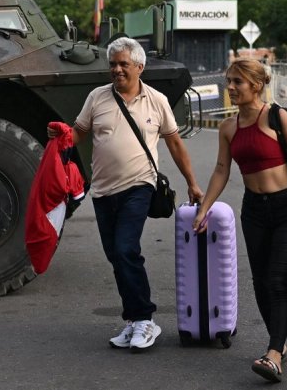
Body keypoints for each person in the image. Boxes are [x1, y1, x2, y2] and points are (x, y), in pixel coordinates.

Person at [48, 37, 203, 351]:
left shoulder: (156, 100)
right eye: (113, 65)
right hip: (103, 190)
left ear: (139, 67)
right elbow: (79, 133)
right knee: (116, 256)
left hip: (139, 186)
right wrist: (62, 135)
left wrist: (192, 183)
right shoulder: (97, 97)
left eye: (124, 64)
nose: (117, 70)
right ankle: (133, 320)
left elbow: (175, 143)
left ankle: (145, 319)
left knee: (125, 249)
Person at [192, 58, 287, 383]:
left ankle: (273, 355)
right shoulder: (228, 127)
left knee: (276, 280)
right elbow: (221, 169)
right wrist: (204, 208)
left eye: (238, 82)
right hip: (254, 212)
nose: (231, 87)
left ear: (256, 85)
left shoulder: (276, 116)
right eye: (229, 81)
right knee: (260, 281)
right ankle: (278, 341)